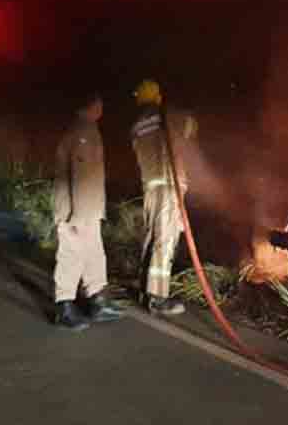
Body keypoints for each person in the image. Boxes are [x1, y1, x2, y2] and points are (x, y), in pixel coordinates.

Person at [52, 92, 126, 330]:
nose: (102, 108)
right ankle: (64, 307)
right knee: (71, 255)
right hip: (77, 210)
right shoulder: (83, 131)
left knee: (94, 254)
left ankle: (97, 301)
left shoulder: (85, 129)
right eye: (100, 103)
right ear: (93, 105)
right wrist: (78, 215)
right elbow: (82, 174)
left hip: (87, 209)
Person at [130, 79, 198, 316]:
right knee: (166, 240)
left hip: (151, 187)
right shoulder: (167, 117)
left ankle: (145, 289)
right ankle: (157, 296)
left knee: (153, 237)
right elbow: (190, 127)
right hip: (169, 186)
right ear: (158, 97)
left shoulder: (137, 125)